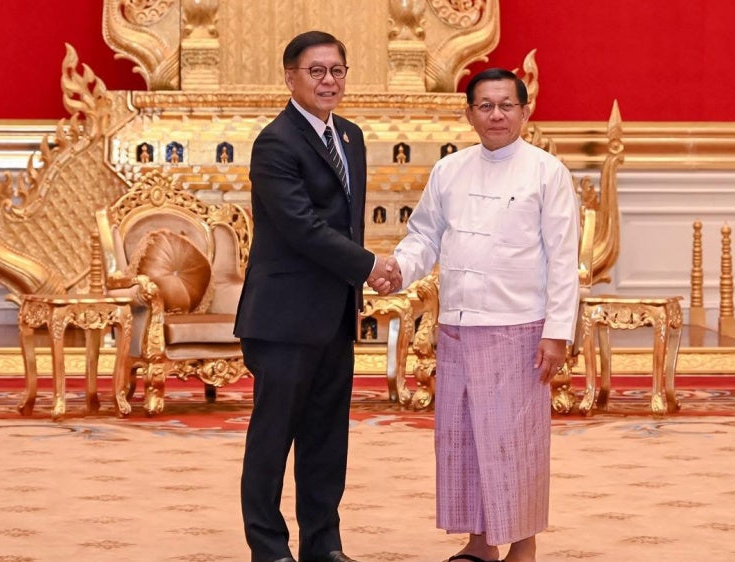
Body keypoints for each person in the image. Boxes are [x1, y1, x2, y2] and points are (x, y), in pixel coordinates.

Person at [390, 68, 579, 562]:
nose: (496, 115)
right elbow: (424, 237)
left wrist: (557, 333)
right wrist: (395, 270)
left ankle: (522, 544)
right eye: (485, 106)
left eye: (506, 105)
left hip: (519, 327)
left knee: (515, 442)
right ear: (469, 112)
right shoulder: (449, 170)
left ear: (525, 111)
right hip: (456, 326)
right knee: (464, 438)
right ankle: (478, 544)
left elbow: (563, 259)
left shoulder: (546, 172)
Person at [233, 30, 395, 562]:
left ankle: (323, 546)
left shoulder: (349, 135)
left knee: (327, 440)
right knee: (273, 439)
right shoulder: (275, 142)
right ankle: (269, 548)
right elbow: (302, 228)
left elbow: (345, 226)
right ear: (290, 77)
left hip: (333, 317)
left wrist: (359, 276)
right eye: (317, 71)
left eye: (337, 71)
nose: (329, 81)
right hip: (282, 319)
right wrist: (370, 266)